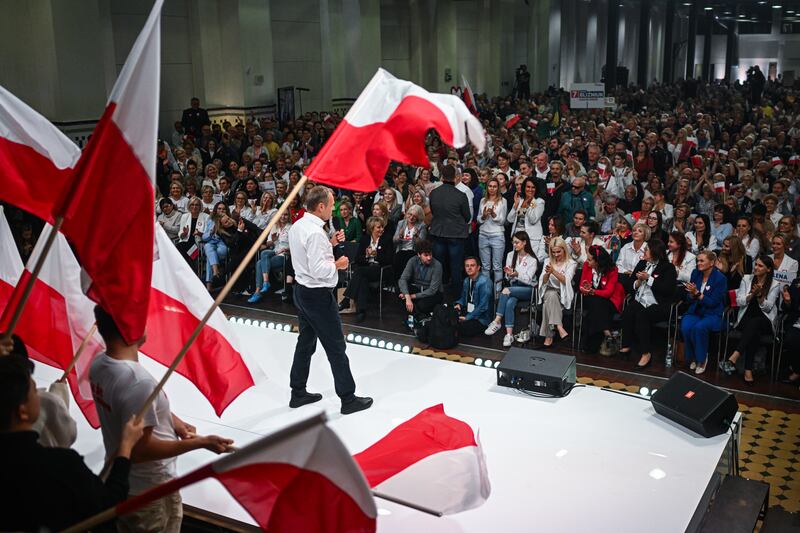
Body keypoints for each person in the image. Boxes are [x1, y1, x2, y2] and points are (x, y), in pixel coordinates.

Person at [89, 306, 233, 533]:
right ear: (130, 330)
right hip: (150, 492)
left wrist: (172, 420)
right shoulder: (138, 382)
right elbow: (140, 450)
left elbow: (133, 412)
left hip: (127, 483)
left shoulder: (100, 365)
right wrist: (201, 443)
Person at [0, 355, 144, 533]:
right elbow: (107, 506)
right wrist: (126, 446)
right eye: (35, 391)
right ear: (22, 412)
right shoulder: (59, 465)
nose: (39, 395)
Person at [288, 185, 372, 415]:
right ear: (321, 206)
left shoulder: (299, 226)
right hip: (317, 295)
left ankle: (297, 392)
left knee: (305, 343)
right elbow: (318, 269)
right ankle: (348, 399)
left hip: (302, 291)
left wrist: (331, 243)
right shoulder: (315, 233)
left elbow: (308, 256)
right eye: (332, 205)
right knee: (336, 346)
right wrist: (338, 264)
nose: (333, 209)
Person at [720, 256, 781, 384]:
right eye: (756, 265)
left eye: (760, 266)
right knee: (753, 330)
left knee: (756, 323)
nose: (756, 267)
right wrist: (752, 295)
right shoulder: (747, 279)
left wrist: (759, 296)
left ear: (768, 269)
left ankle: (734, 356)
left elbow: (768, 308)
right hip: (746, 317)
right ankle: (748, 370)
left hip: (765, 320)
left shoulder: (775, 284)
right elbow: (739, 301)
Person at [619, 239, 678, 369]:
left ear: (655, 251)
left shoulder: (668, 268)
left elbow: (667, 289)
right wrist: (638, 282)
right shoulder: (641, 263)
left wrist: (649, 279)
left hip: (659, 304)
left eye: (647, 249)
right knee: (628, 311)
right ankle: (626, 345)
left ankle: (646, 353)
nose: (644, 251)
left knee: (642, 315)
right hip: (641, 300)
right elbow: (630, 285)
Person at [484, 232, 539, 347]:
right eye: (513, 242)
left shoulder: (532, 260)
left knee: (506, 290)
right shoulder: (510, 255)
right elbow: (507, 277)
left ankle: (497, 320)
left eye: (517, 242)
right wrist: (509, 274)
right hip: (514, 287)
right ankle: (509, 335)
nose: (514, 245)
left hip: (528, 289)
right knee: (509, 302)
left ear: (524, 243)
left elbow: (528, 279)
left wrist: (516, 274)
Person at [680, 250, 728, 374]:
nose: (698, 263)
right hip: (696, 310)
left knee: (699, 328)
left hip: (713, 313)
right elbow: (688, 298)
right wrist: (691, 295)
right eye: (697, 261)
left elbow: (713, 303)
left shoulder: (720, 278)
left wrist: (697, 294)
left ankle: (701, 359)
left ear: (711, 262)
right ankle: (693, 357)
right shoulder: (696, 273)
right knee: (686, 326)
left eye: (702, 261)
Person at [339, 216, 394, 322]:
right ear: (372, 228)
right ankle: (361, 311)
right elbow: (357, 259)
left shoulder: (387, 239)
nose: (381, 229)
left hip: (380, 269)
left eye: (382, 227)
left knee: (359, 271)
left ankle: (347, 299)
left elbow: (389, 260)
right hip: (366, 269)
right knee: (362, 279)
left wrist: (376, 255)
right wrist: (366, 256)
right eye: (378, 227)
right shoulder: (365, 239)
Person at [429, 165, 471, 298]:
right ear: (455, 177)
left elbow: (434, 212)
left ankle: (438, 296)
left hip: (438, 233)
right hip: (456, 234)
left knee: (438, 267)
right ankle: (457, 299)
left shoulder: (434, 193)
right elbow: (468, 217)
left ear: (441, 177)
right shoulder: (461, 195)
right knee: (456, 267)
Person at [577, 245, 625, 353]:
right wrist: (585, 289)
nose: (587, 261)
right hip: (590, 298)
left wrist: (594, 291)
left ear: (598, 261)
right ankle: (607, 332)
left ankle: (590, 346)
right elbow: (581, 286)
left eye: (590, 260)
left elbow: (608, 293)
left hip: (609, 300)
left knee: (597, 307)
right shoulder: (586, 266)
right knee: (596, 303)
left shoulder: (612, 270)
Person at [537, 237, 576, 347]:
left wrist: (553, 271)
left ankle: (549, 335)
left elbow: (566, 280)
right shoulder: (547, 261)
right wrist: (547, 274)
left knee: (549, 300)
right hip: (549, 290)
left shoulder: (571, 263)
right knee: (550, 294)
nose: (556, 255)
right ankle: (559, 327)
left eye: (558, 251)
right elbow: (543, 282)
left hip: (563, 293)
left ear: (564, 249)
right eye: (553, 252)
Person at [248, 210, 292, 303]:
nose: (283, 217)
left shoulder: (291, 228)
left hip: (284, 255)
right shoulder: (274, 227)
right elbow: (268, 243)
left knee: (259, 263)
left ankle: (258, 291)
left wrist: (287, 249)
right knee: (264, 253)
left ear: (289, 216)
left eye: (286, 215)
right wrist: (273, 240)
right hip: (274, 251)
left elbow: (294, 244)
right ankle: (265, 282)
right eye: (281, 215)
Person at [398, 240, 444, 319]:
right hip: (419, 289)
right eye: (426, 255)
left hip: (434, 293)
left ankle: (415, 316)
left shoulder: (437, 265)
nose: (429, 258)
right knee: (400, 292)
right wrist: (407, 296)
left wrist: (411, 297)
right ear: (419, 255)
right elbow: (403, 279)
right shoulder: (412, 261)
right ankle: (418, 316)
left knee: (422, 305)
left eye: (430, 254)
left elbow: (432, 290)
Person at [477, 177, 509, 292]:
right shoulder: (482, 201)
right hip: (483, 235)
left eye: (494, 186)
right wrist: (484, 216)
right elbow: (478, 220)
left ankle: (497, 292)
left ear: (498, 188)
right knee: (485, 266)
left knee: (497, 266)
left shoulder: (503, 201)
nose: (492, 188)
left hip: (497, 235)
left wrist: (494, 215)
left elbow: (502, 221)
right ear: (487, 187)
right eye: (490, 186)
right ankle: (486, 291)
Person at [454, 257, 493, 337]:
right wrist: (459, 304)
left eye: (472, 265)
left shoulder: (484, 282)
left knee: (460, 328)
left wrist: (468, 317)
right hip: (469, 311)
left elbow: (483, 307)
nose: (469, 268)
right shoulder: (466, 280)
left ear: (478, 267)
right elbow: (463, 298)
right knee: (449, 318)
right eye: (467, 266)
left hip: (481, 319)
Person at [506, 177, 544, 252]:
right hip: (517, 236)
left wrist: (527, 206)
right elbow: (510, 219)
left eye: (533, 187)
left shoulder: (538, 202)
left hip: (531, 238)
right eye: (528, 187)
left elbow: (533, 220)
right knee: (516, 261)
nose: (530, 189)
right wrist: (515, 206)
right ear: (524, 187)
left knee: (529, 260)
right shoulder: (520, 200)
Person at [392, 205, 427, 281]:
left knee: (408, 259)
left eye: (414, 216)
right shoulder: (401, 223)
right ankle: (398, 284)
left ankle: (406, 285)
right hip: (401, 251)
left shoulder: (421, 226)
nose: (411, 218)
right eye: (410, 214)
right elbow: (394, 241)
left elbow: (421, 245)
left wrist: (416, 236)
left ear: (418, 217)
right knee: (398, 258)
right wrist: (400, 236)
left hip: (413, 251)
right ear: (407, 214)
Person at [779, 277, 800, 386]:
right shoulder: (797, 282)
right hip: (797, 322)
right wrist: (788, 301)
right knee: (791, 339)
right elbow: (788, 307)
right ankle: (797, 369)